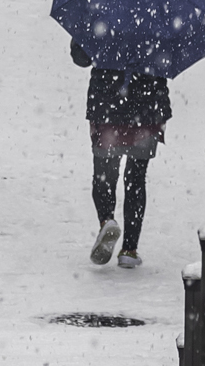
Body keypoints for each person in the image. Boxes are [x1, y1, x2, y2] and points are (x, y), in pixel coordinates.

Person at [71, 38, 171, 269]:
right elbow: (168, 58)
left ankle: (107, 220)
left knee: (105, 172)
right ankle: (129, 249)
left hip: (107, 102)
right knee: (136, 177)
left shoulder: (100, 5)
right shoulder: (159, 10)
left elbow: (80, 57)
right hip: (147, 103)